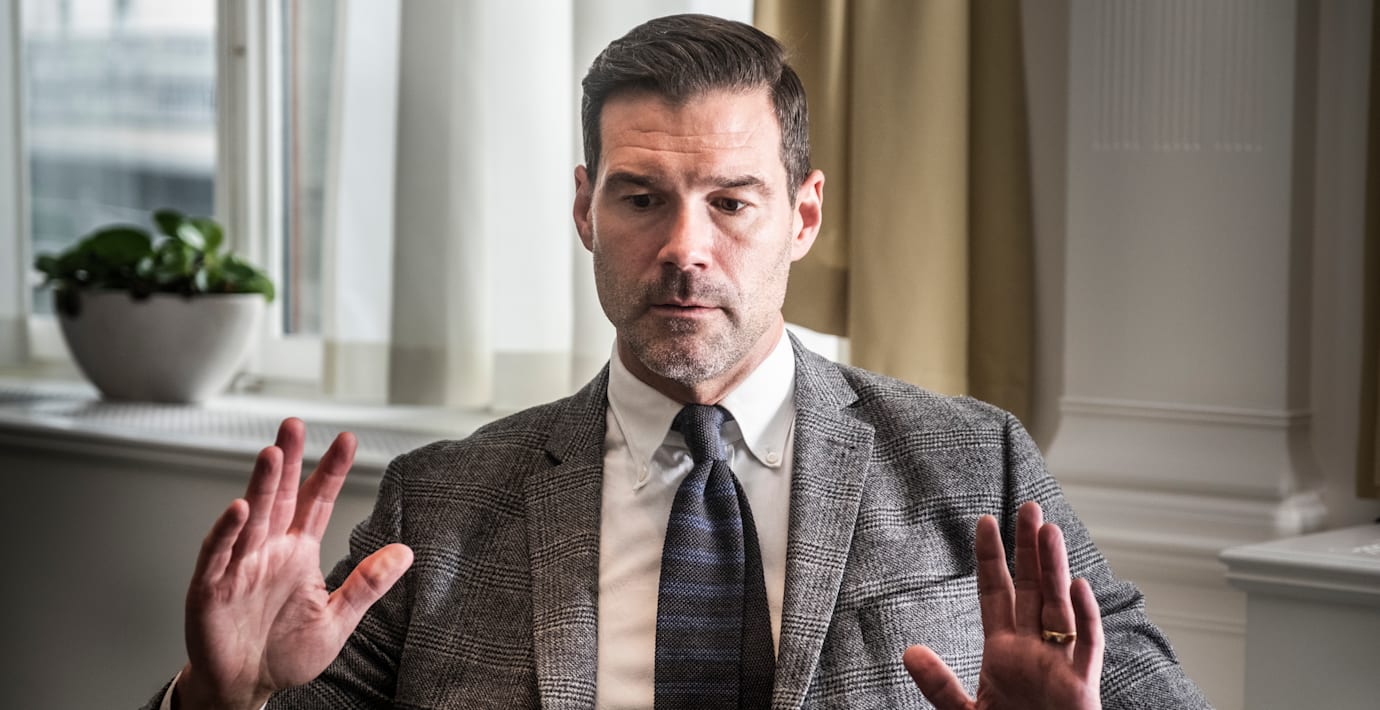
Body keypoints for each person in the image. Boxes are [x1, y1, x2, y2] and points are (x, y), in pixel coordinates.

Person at [147, 14, 1209, 710]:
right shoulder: (439, 504)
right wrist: (218, 695)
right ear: (585, 208)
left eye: (732, 202)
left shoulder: (977, 461)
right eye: (641, 197)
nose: (684, 248)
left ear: (803, 216)